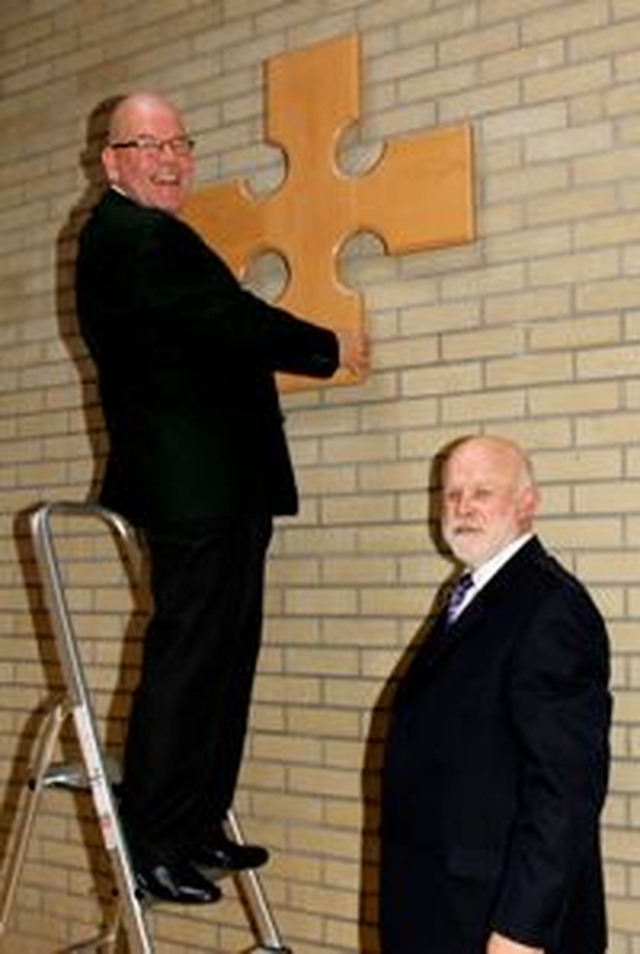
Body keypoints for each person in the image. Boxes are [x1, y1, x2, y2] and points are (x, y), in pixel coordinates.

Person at [75, 92, 369, 905]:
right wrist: (326, 348)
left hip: (225, 483)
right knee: (190, 659)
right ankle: (153, 842)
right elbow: (225, 318)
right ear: (113, 162)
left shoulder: (154, 237)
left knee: (226, 657)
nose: (171, 160)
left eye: (181, 144)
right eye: (148, 145)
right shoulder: (133, 237)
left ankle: (198, 826)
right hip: (189, 484)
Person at [379, 435, 611, 954]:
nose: (462, 507)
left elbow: (565, 788)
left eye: (482, 492)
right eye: (452, 493)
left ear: (527, 504)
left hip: (497, 923)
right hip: (443, 908)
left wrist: (521, 932)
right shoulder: (470, 595)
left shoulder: (549, 607)